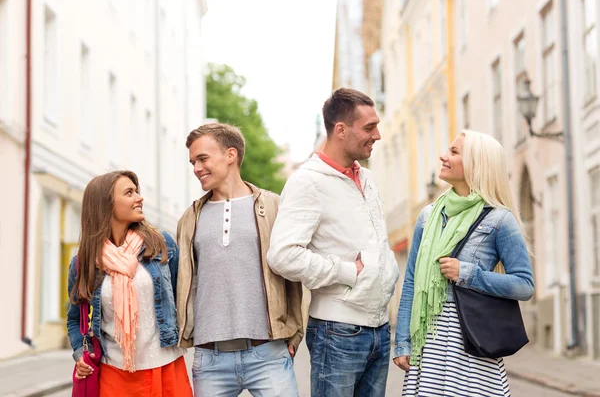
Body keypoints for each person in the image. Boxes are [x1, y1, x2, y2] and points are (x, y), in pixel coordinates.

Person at [267, 88, 400, 397]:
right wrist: (347, 272)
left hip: (379, 328)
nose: (377, 135)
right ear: (341, 130)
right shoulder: (307, 182)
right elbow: (283, 255)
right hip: (337, 332)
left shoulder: (365, 177)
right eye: (369, 127)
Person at [393, 130, 535, 396]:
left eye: (454, 152)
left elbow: (524, 285)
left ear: (475, 163)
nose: (443, 157)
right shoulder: (427, 217)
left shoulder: (499, 219)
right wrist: (402, 342)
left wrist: (469, 274)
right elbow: (411, 280)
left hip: (471, 340)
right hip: (429, 340)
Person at [176, 122, 303, 396]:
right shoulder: (190, 218)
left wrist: (293, 332)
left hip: (267, 353)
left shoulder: (273, 206)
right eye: (193, 162)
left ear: (230, 155)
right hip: (210, 360)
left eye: (202, 159)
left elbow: (291, 273)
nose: (196, 168)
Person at [67, 170, 191, 396]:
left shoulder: (161, 244)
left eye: (137, 191)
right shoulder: (83, 263)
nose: (139, 198)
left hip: (166, 367)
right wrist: (78, 353)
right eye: (129, 193)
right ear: (106, 204)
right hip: (114, 373)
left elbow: (182, 299)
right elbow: (75, 319)